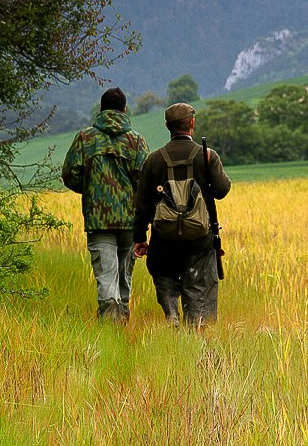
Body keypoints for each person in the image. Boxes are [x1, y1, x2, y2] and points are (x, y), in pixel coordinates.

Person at [133, 103, 231, 326]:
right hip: (199, 235)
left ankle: (171, 311)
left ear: (167, 126)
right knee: (199, 283)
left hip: (164, 236)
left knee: (162, 271)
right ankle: (195, 329)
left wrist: (139, 237)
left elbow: (143, 204)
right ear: (192, 124)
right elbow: (222, 190)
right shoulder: (207, 156)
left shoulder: (154, 160)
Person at [62, 88, 149, 321]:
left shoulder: (85, 138)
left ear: (101, 109)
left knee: (106, 275)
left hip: (98, 220)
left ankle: (111, 324)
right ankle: (123, 322)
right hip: (130, 221)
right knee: (124, 276)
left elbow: (70, 175)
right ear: (124, 110)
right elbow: (145, 182)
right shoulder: (137, 141)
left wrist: (93, 190)